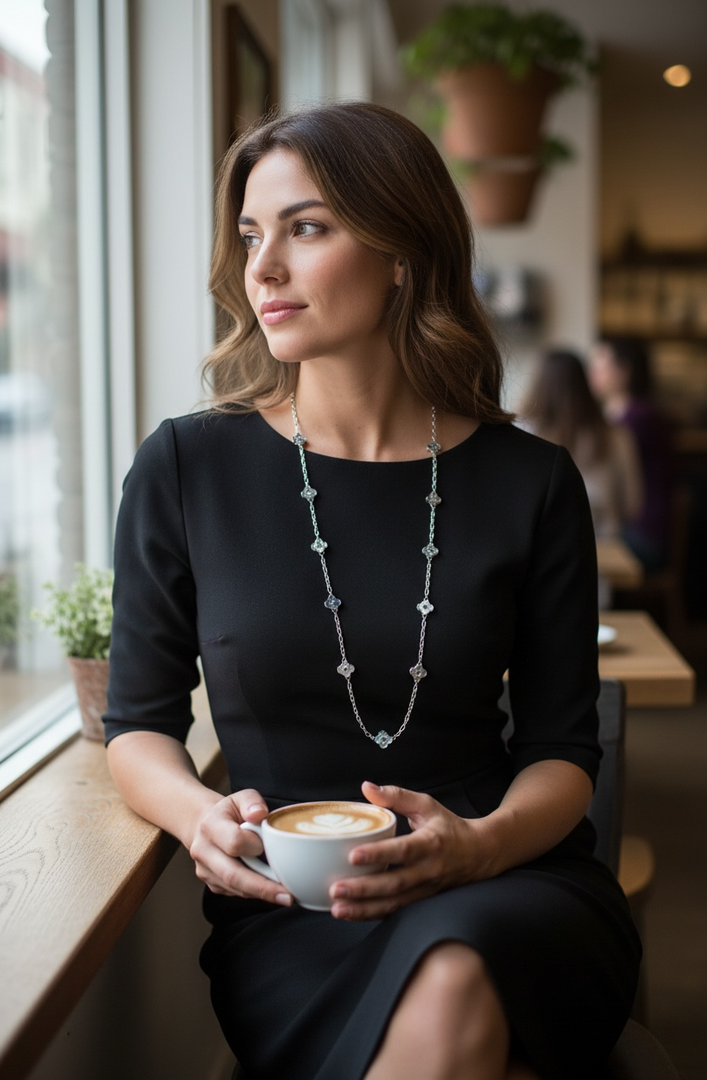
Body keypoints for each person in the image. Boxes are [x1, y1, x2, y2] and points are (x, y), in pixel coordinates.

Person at [104, 103, 641, 1080]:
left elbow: (566, 752)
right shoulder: (186, 465)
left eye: (305, 229)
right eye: (250, 236)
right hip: (293, 910)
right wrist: (197, 817)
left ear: (404, 253)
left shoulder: (534, 480)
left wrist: (476, 849)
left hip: (508, 874)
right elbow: (136, 725)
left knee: (455, 978)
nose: (261, 267)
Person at [520, 349, 644, 541]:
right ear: (585, 385)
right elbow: (632, 504)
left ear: (538, 386)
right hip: (601, 549)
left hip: (537, 550)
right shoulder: (617, 436)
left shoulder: (523, 434)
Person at [589, 336, 674, 570]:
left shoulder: (637, 419)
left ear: (624, 371)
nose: (592, 373)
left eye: (599, 366)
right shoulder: (621, 417)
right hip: (635, 524)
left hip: (644, 532)